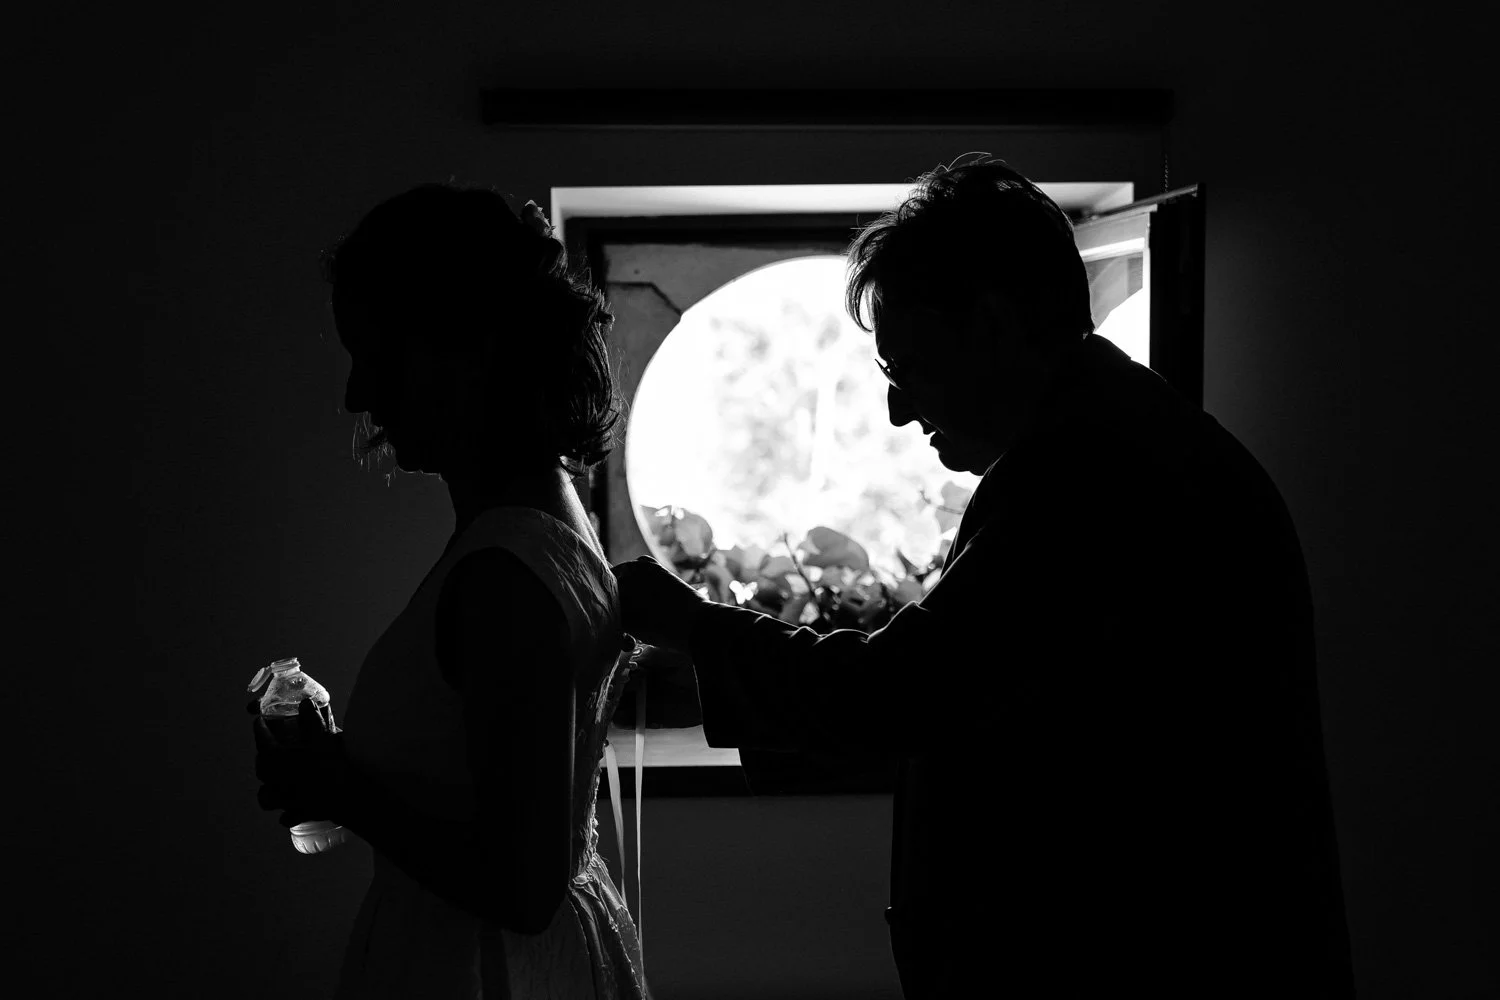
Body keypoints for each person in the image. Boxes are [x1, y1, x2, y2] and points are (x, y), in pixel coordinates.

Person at [613, 155, 1356, 998]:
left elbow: (906, 689)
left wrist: (696, 627)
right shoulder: (1117, 440)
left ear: (995, 324)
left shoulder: (1088, 478)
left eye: (908, 369)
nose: (897, 411)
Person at [252, 184, 649, 999]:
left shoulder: (502, 575)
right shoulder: (546, 514)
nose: (357, 395)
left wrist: (340, 788)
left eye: (377, 356)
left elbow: (521, 889)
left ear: (470, 350)